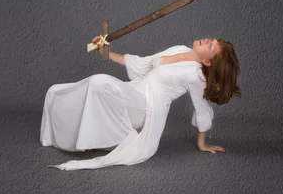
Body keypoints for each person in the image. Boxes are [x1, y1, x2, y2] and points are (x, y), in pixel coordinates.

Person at [40, 37, 241, 170]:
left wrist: (202, 143)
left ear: (207, 62)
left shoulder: (197, 75)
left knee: (100, 82)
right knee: (96, 84)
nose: (207, 41)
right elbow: (143, 63)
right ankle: (70, 133)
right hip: (135, 90)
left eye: (211, 47)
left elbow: (203, 109)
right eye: (212, 40)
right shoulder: (179, 48)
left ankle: (102, 139)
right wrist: (106, 52)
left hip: (147, 106)